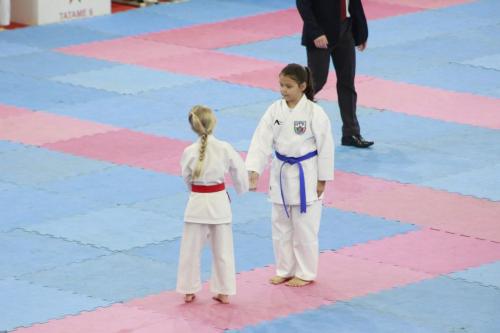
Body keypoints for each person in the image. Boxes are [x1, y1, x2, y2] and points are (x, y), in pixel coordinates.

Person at [246, 63, 334, 287]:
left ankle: (305, 272)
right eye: (281, 85)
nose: (283, 90)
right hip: (281, 174)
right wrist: (254, 170)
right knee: (280, 227)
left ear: (303, 86)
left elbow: (326, 147)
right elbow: (261, 140)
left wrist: (322, 179)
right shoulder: (275, 110)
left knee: (305, 229)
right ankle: (285, 269)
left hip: (307, 175)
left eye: (289, 86)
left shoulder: (315, 112)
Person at [177, 105, 249, 304]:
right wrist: (242, 188)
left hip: (197, 204)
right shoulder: (224, 147)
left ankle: (188, 290)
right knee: (223, 250)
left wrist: (195, 191)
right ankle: (224, 291)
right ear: (213, 123)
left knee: (190, 250)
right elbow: (239, 169)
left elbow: (186, 177)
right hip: (219, 204)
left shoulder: (189, 151)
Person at [296, 0, 374, 148]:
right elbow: (303, 4)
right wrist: (315, 32)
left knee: (347, 82)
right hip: (321, 32)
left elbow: (354, 3)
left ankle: (351, 133)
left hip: (346, 29)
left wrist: (361, 33)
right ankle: (292, 123)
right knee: (315, 82)